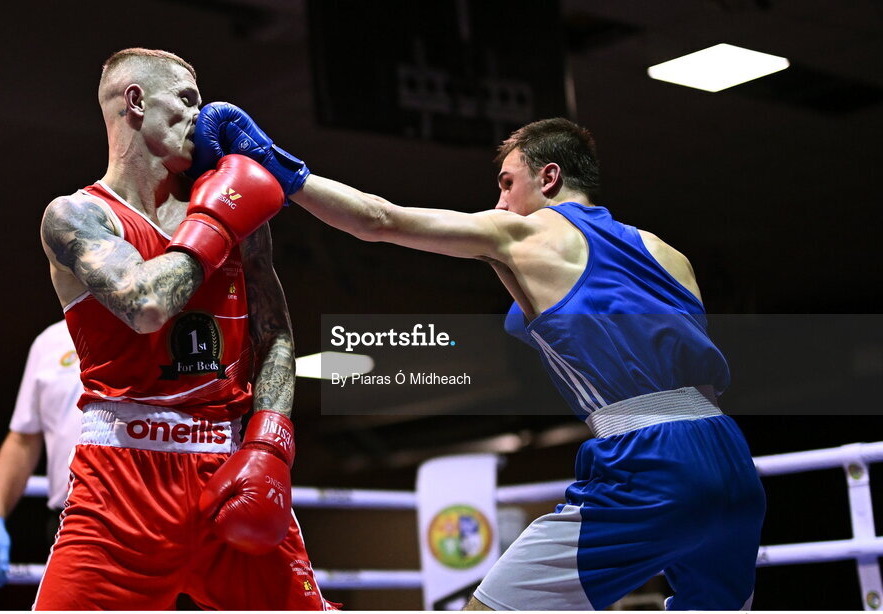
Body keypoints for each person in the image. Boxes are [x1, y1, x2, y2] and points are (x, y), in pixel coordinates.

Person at [195, 105, 767, 610]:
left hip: (649, 462)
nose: (499, 202)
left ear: (549, 177)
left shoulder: (525, 235)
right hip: (733, 461)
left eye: (506, 183)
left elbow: (378, 219)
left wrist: (277, 166)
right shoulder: (672, 255)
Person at [33, 48, 332, 610]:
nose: (205, 114)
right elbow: (144, 305)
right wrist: (217, 220)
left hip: (229, 464)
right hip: (121, 483)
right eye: (188, 100)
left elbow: (275, 332)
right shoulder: (76, 216)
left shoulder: (232, 204)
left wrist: (271, 438)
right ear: (136, 103)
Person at [0, 321, 82, 587]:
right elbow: (24, 438)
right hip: (70, 523)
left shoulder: (156, 325)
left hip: (152, 516)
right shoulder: (50, 341)